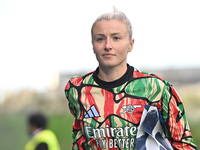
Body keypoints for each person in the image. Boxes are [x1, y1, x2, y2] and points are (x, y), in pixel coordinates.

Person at [64, 8, 197, 150]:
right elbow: (79, 142)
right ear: (93, 45)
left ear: (130, 44)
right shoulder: (76, 88)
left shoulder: (156, 88)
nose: (108, 46)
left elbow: (184, 145)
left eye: (116, 38)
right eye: (100, 39)